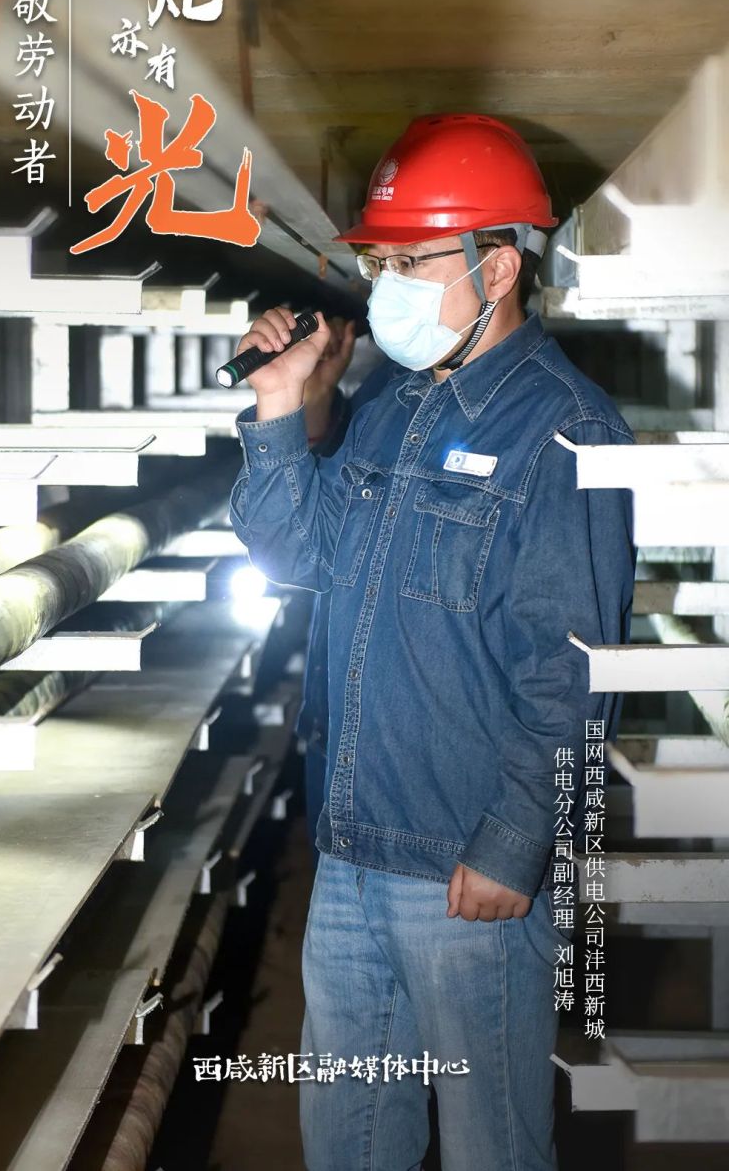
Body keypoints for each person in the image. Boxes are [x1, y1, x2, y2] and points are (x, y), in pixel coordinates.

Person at [229, 114, 637, 1171]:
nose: (387, 288)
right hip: (351, 848)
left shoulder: (565, 429)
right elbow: (293, 554)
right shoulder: (389, 402)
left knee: (490, 1148)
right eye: (381, 263)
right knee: (348, 1140)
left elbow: (572, 670)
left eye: (412, 262)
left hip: (463, 867)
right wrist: (280, 407)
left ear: (496, 268)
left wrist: (514, 842)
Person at [300, 323, 402, 857]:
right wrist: (311, 393)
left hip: (407, 765)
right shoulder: (388, 389)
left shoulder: (539, 413)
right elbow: (313, 530)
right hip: (335, 728)